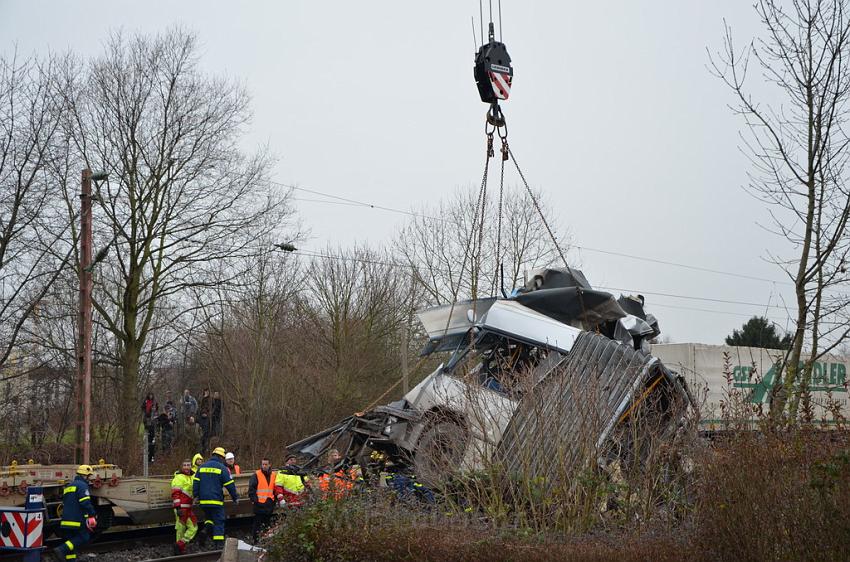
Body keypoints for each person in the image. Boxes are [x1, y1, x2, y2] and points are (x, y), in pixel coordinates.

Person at [192, 446, 238, 550]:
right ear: (221, 457)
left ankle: (206, 530)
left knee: (209, 518)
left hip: (203, 501)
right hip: (216, 500)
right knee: (219, 521)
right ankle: (219, 544)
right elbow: (230, 484)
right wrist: (235, 497)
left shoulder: (201, 467)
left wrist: (196, 496)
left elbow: (196, 482)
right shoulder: (222, 468)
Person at [51, 465, 98, 561]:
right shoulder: (82, 486)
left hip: (66, 520)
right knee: (84, 537)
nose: (89, 479)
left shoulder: (69, 486)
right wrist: (92, 513)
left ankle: (70, 560)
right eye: (89, 476)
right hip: (77, 519)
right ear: (85, 476)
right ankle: (61, 549)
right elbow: (85, 502)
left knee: (71, 543)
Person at [170, 459, 198, 554]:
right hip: (181, 507)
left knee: (194, 527)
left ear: (191, 466)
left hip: (189, 507)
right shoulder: (178, 478)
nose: (186, 467)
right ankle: (179, 550)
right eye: (185, 465)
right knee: (180, 530)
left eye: (188, 465)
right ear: (181, 467)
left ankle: (179, 544)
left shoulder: (194, 476)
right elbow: (175, 493)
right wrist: (178, 508)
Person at [247, 457, 277, 543]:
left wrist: (274, 501)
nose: (264, 466)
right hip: (259, 504)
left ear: (269, 465)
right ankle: (255, 541)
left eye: (266, 464)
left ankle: (265, 541)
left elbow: (275, 489)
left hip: (269, 504)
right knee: (257, 524)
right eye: (263, 464)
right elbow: (251, 489)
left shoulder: (273, 475)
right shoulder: (256, 475)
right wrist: (255, 500)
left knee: (267, 524)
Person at [141, 392, 158, 462]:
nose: (150, 396)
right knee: (147, 437)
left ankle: (151, 456)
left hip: (152, 420)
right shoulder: (145, 401)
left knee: (152, 440)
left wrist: (154, 411)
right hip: (147, 418)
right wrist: (146, 411)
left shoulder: (154, 402)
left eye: (152, 395)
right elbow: (142, 407)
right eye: (149, 395)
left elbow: (156, 409)